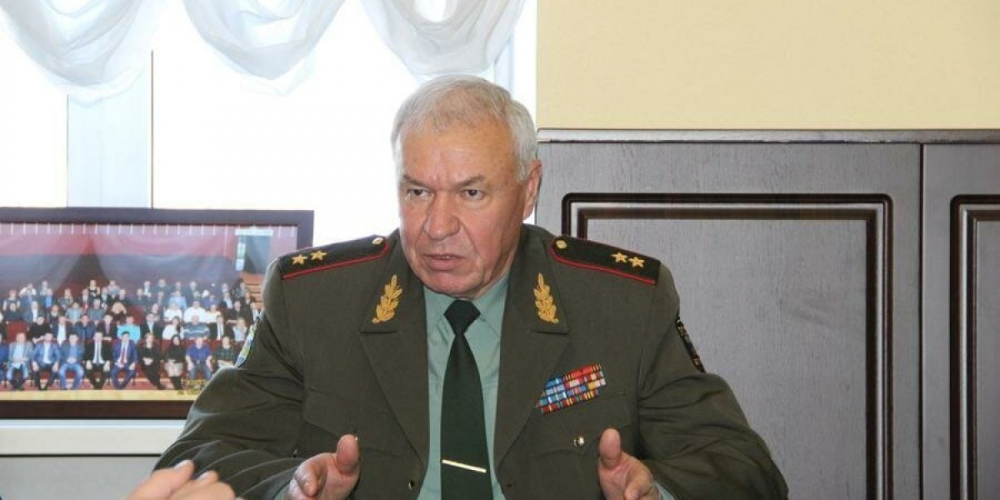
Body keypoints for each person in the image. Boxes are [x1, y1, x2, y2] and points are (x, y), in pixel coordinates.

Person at [155, 76, 786, 499]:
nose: (437, 226)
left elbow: (746, 470)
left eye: (472, 193)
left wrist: (657, 490)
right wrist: (288, 486)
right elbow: (196, 456)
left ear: (529, 189)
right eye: (417, 191)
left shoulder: (620, 303)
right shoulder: (313, 300)